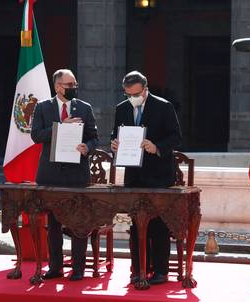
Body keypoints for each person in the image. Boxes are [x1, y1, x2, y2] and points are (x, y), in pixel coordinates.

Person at [110, 71, 182, 285]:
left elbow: (176, 138)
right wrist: (114, 144)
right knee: (136, 225)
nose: (132, 97)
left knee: (158, 225)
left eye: (136, 93)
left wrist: (157, 147)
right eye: (128, 94)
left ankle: (160, 270)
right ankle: (138, 269)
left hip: (159, 175)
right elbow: (115, 135)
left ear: (145, 89)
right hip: (134, 175)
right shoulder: (121, 109)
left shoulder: (164, 106)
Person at [31, 69, 98, 281]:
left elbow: (94, 137)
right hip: (51, 174)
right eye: (69, 85)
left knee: (79, 222)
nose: (73, 88)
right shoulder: (43, 107)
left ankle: (78, 268)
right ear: (58, 86)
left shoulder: (84, 108)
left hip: (77, 174)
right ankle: (55, 267)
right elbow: (36, 135)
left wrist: (87, 148)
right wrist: (60, 127)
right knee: (54, 224)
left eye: (75, 84)